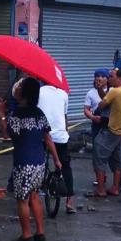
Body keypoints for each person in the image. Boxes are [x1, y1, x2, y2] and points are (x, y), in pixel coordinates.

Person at [0, 77, 62, 241]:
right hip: (39, 162)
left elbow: (7, 135)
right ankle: (40, 232)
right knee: (34, 196)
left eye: (19, 87)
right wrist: (56, 159)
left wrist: (1, 113)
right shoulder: (39, 113)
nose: (16, 89)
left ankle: (26, 235)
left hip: (23, 162)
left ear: (23, 93)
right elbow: (48, 138)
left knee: (22, 199)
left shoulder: (18, 114)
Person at [88, 67, 121, 197]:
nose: (109, 78)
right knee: (116, 160)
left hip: (110, 130)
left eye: (111, 76)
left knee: (99, 158)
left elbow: (101, 105)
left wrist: (100, 92)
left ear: (120, 78)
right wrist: (100, 89)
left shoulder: (115, 91)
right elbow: (107, 99)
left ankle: (101, 189)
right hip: (120, 131)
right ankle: (115, 188)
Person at [39, 83, 76, 214]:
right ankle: (69, 201)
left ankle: (35, 193)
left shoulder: (39, 91)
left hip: (43, 135)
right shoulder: (64, 94)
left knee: (38, 163)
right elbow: (64, 117)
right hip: (61, 137)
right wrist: (66, 133)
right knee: (65, 166)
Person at [83, 69, 110, 141]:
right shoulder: (90, 93)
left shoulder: (112, 91)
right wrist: (93, 117)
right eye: (97, 76)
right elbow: (86, 109)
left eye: (103, 76)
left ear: (107, 79)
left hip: (110, 123)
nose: (99, 78)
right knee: (96, 144)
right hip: (96, 123)